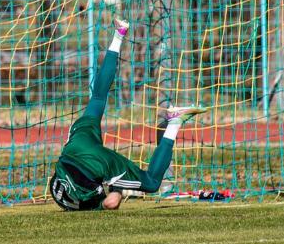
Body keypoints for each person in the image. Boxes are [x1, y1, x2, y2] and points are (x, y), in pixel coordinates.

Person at [49, 18, 206, 211]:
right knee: (98, 98)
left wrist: (118, 187)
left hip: (95, 166)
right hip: (74, 146)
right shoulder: (57, 185)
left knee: (151, 182)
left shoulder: (83, 200)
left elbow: (110, 203)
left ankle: (174, 122)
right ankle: (118, 34)